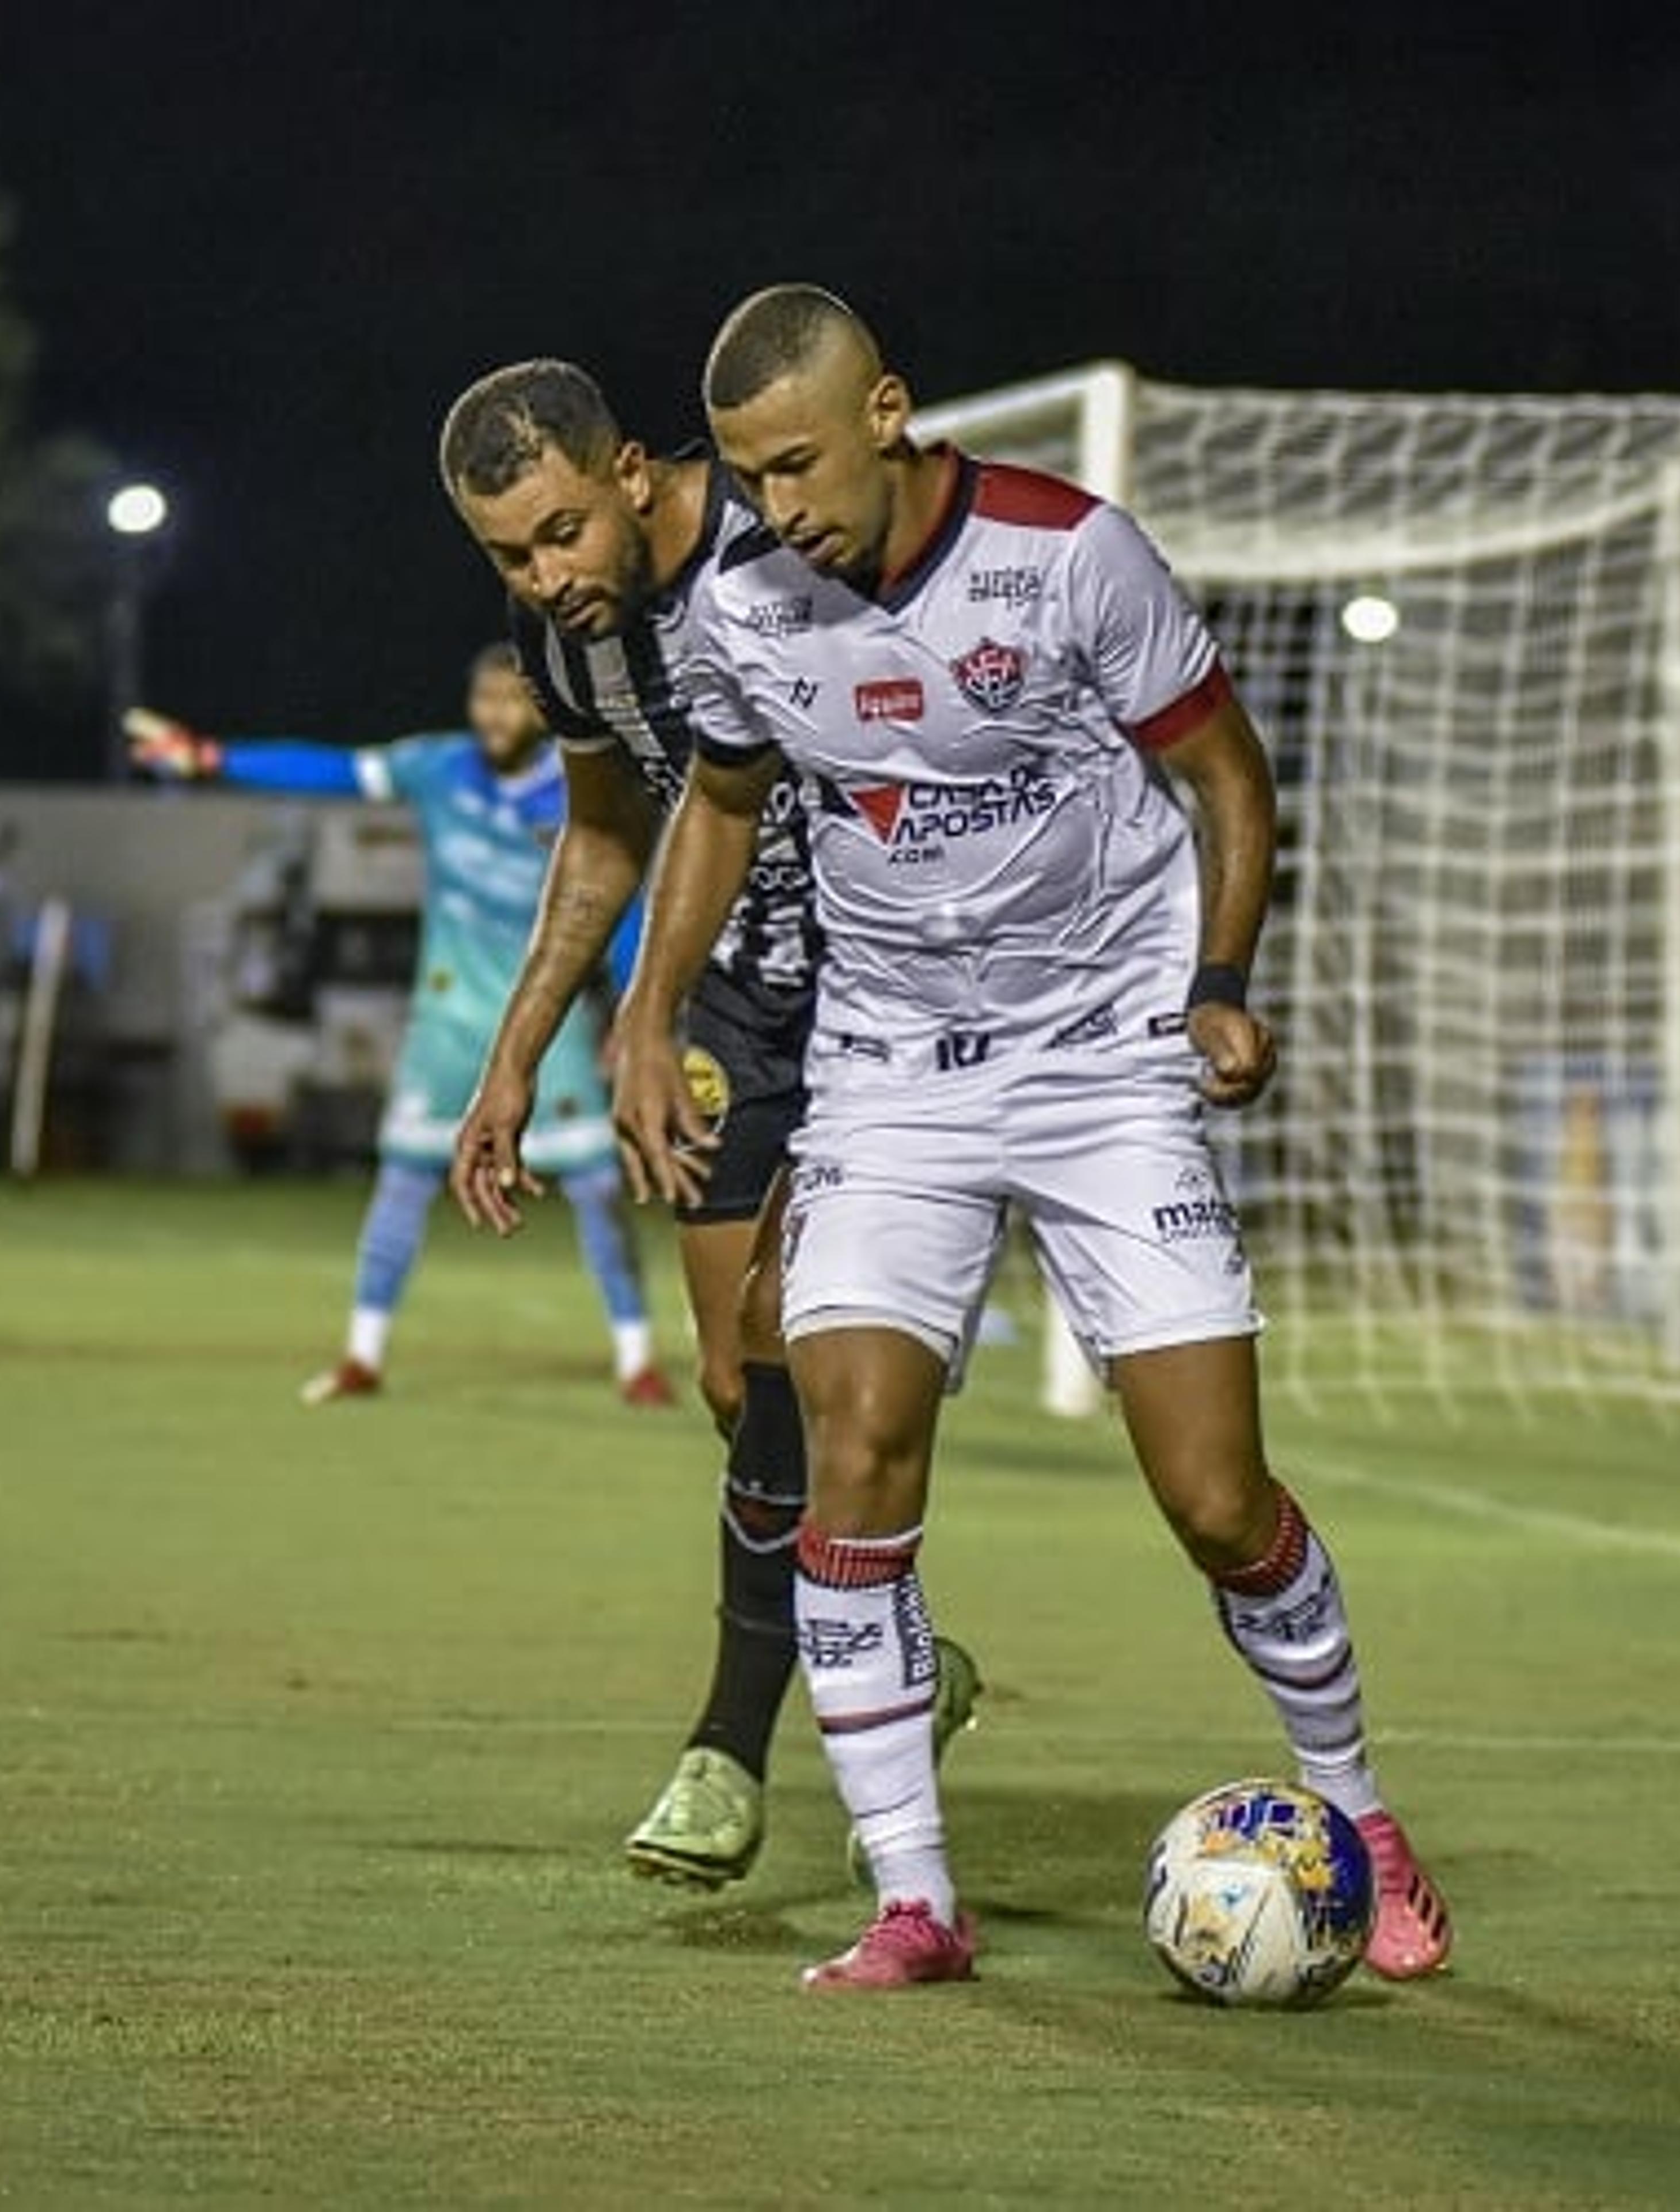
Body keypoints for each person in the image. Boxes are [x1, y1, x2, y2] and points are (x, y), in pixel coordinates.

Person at [609, 285, 1453, 1992]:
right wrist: (644, 1008)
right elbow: (716, 797)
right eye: (751, 480)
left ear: (888, 412)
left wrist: (1218, 978)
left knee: (1215, 1498)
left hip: (1103, 1059)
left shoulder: (1071, 557)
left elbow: (1224, 773)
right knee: (847, 1438)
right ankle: (915, 1896)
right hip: (889, 1070)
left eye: (799, 467)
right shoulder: (743, 607)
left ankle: (1355, 1810)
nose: (779, 512)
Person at [434, 362, 979, 1887]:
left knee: (789, 1329)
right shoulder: (575, 647)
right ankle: (894, 1658)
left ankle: (724, 1756)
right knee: (745, 1389)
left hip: (898, 999)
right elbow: (604, 842)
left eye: (559, 536)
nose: (547, 577)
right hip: (742, 1007)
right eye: (508, 558)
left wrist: (644, 1017)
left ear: (626, 471)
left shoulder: (786, 553)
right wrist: (511, 1067)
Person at [126, 647, 670, 1408]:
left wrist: (639, 1007)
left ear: (541, 709)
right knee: (403, 1181)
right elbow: (333, 773)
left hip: (547, 1034)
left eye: (509, 701)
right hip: (446, 1027)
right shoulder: (437, 768)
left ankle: (637, 1360)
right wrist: (213, 758)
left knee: (597, 1188)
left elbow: (617, 902)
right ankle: (362, 1354)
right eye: (482, 701)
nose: (493, 718)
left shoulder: (576, 788)